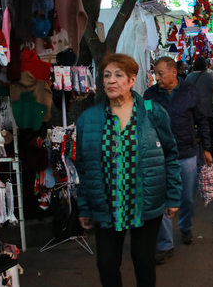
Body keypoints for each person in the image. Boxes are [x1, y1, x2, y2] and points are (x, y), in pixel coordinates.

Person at [75, 53, 182, 287]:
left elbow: (170, 156)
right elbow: (84, 168)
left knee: (143, 262)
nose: (111, 81)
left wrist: (173, 196)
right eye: (106, 76)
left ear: (132, 80)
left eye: (118, 75)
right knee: (106, 264)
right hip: (107, 206)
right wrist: (84, 207)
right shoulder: (89, 119)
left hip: (145, 203)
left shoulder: (152, 112)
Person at [144, 57, 213, 265]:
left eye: (160, 74)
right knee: (163, 199)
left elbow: (201, 120)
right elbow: (145, 122)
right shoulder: (149, 95)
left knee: (186, 198)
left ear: (173, 72)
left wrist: (207, 148)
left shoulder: (190, 91)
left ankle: (185, 226)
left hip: (186, 153)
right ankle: (165, 244)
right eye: (155, 74)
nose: (156, 78)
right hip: (159, 155)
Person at [186, 56, 213, 160]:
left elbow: (185, 92)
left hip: (193, 108)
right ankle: (210, 151)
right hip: (207, 109)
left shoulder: (189, 77)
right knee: (209, 130)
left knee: (194, 130)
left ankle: (194, 151)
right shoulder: (209, 76)